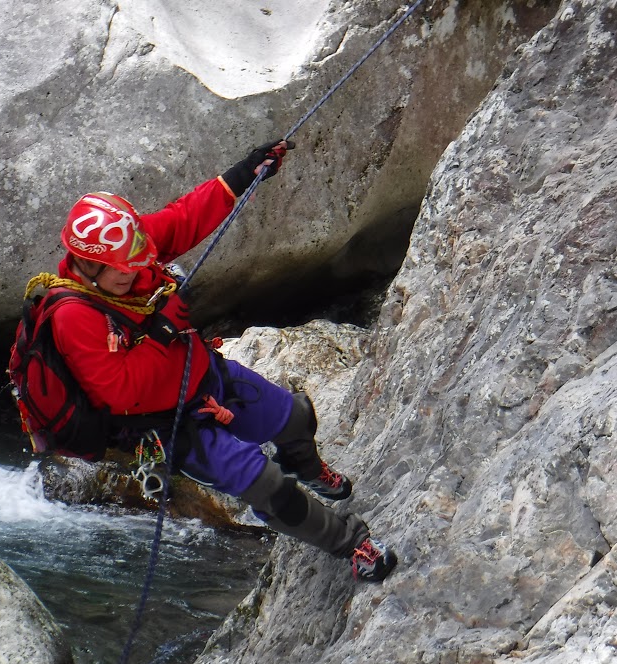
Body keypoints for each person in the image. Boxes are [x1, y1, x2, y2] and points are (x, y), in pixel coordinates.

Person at [39, 140, 398, 582]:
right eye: (120, 269)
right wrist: (163, 331)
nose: (131, 272)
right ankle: (350, 543)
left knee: (296, 417)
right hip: (175, 426)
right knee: (268, 489)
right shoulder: (74, 315)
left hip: (206, 378)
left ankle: (308, 468)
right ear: (86, 264)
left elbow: (182, 219)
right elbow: (122, 392)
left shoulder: (124, 251)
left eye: (135, 263)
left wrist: (242, 174)